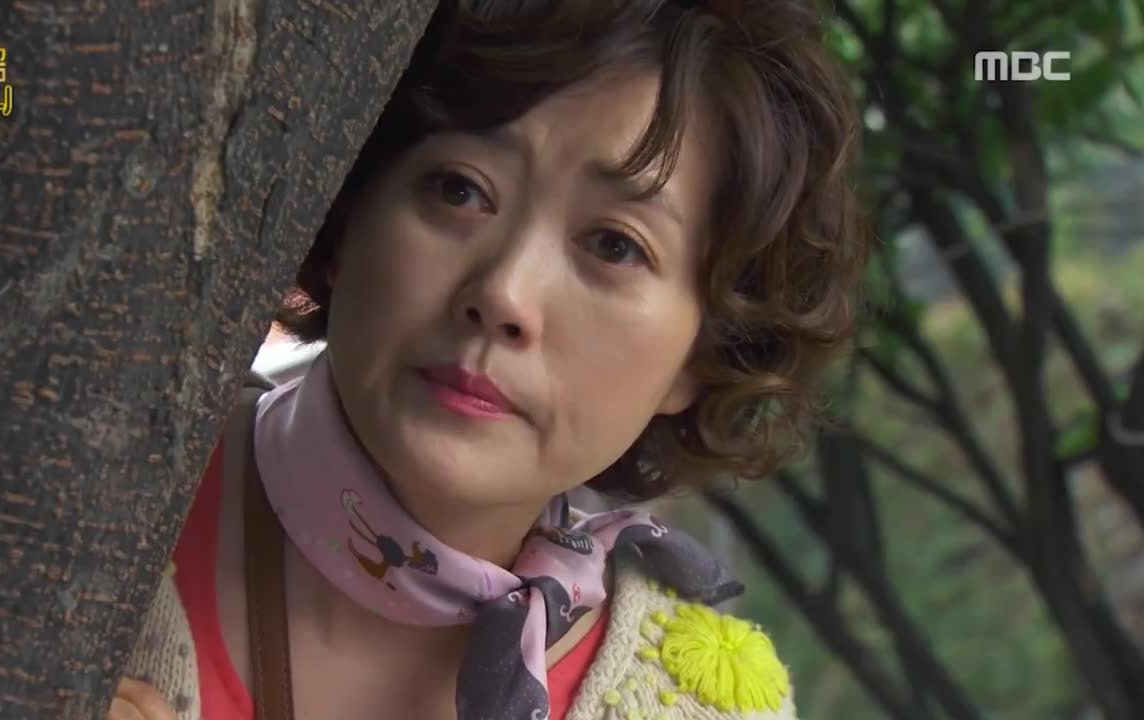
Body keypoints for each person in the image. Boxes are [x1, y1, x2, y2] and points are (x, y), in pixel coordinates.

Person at [108, 0, 868, 717]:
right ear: (347, 211)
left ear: (702, 356)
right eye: (460, 190)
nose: (504, 292)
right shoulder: (91, 477)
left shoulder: (701, 705)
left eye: (614, 245)